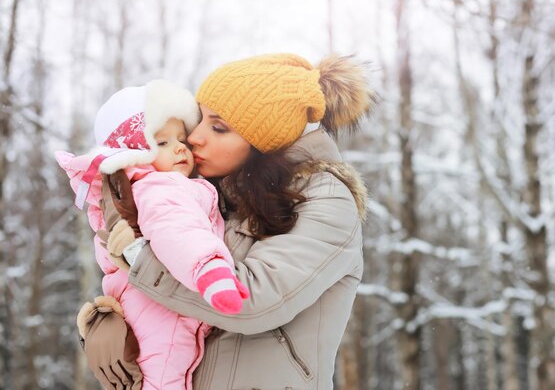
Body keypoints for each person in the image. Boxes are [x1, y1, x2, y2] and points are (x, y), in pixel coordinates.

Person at [80, 53, 375, 390]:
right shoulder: (213, 193)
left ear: (262, 140)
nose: (194, 137)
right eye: (200, 120)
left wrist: (138, 259)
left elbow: (253, 301)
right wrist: (109, 321)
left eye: (218, 127)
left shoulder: (326, 198)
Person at [56, 80, 249, 390]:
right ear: (135, 155)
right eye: (161, 143)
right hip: (160, 312)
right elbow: (178, 233)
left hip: (149, 305)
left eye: (181, 139)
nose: (179, 148)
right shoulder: (160, 188)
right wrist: (211, 271)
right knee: (166, 374)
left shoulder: (135, 189)